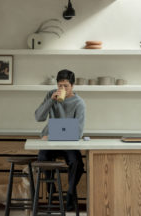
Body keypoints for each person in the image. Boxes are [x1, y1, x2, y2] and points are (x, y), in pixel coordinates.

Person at [35, 69, 86, 211]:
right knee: (42, 158)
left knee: (77, 163)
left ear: (73, 86)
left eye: (66, 86)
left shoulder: (79, 103)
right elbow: (38, 117)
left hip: (68, 143)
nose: (62, 89)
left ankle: (70, 192)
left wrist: (52, 135)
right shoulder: (50, 95)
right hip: (51, 143)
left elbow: (77, 132)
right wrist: (51, 101)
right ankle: (51, 191)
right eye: (60, 86)